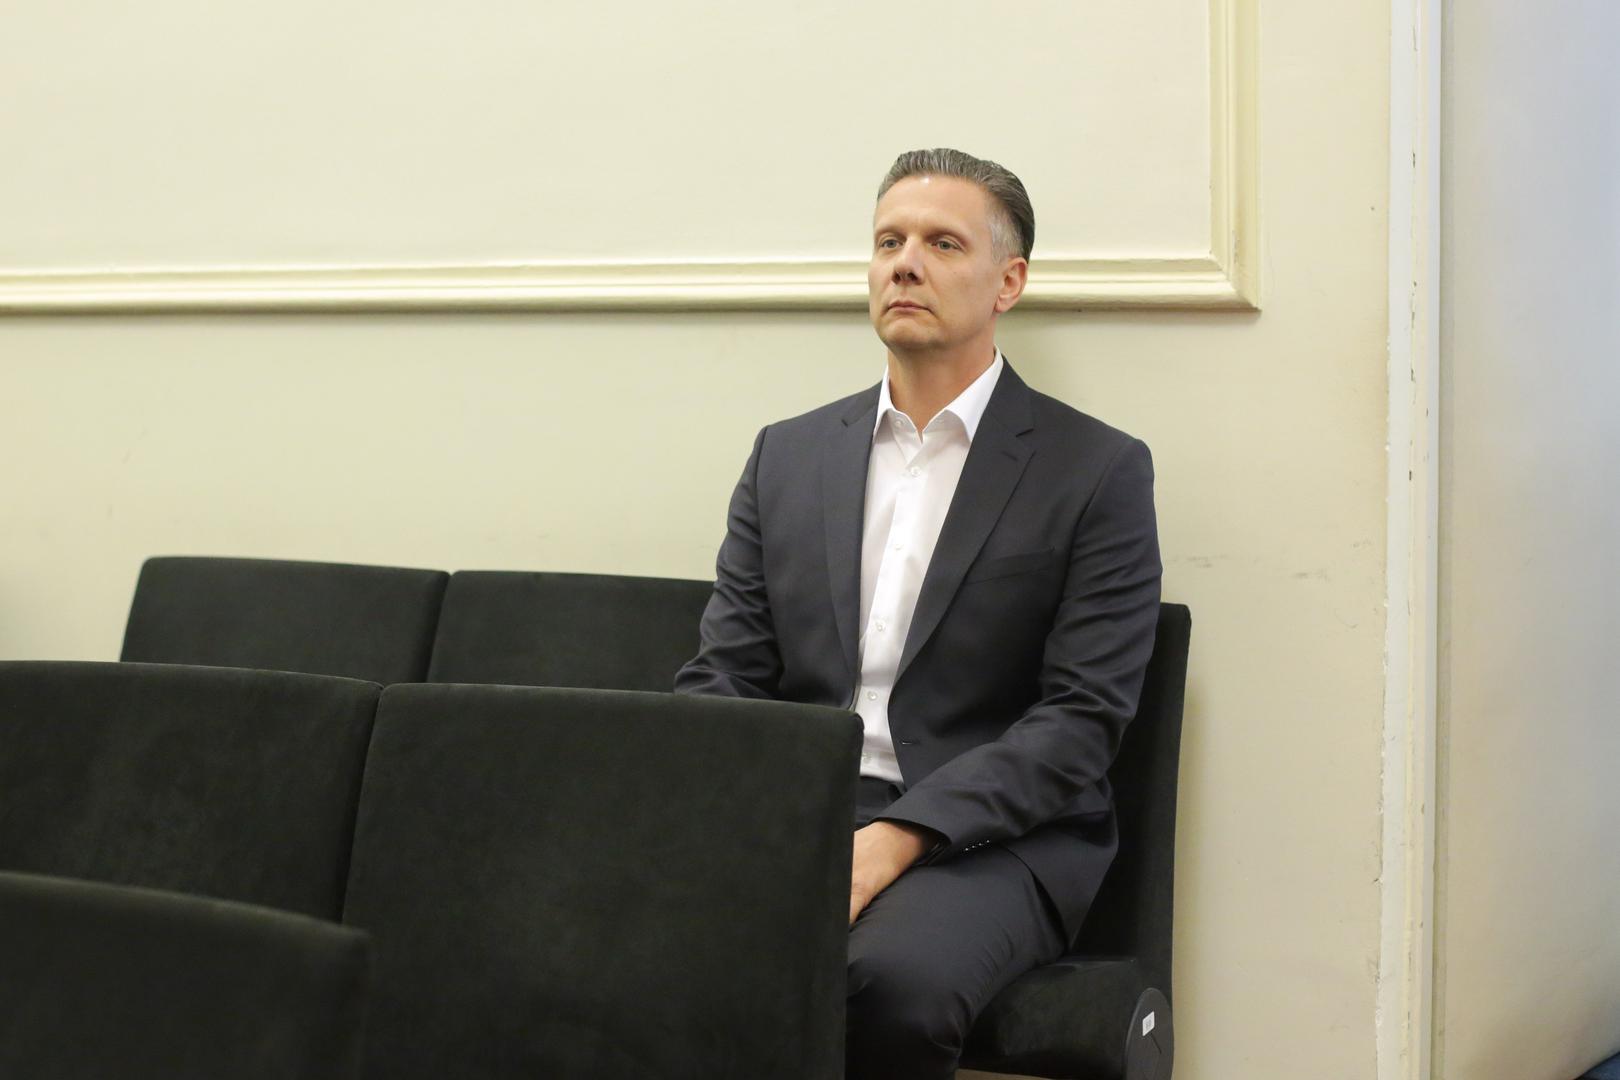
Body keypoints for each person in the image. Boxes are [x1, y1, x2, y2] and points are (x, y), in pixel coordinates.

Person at [675, 147, 1161, 1080]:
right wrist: (740, 817)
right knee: (614, 935)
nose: (904, 264)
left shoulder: (1095, 469)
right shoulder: (788, 456)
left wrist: (897, 839)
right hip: (804, 807)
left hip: (994, 836)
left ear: (1008, 281)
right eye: (888, 241)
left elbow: (1080, 718)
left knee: (890, 986)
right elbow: (725, 673)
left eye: (942, 243)